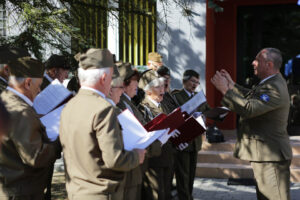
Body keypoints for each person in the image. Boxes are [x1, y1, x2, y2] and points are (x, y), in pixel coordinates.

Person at [59, 48, 145, 200]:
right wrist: (136, 156)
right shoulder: (104, 109)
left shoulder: (69, 105)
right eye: (112, 77)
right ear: (104, 78)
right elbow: (114, 159)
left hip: (76, 192)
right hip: (100, 194)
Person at [211, 47, 292, 200]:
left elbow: (249, 108)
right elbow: (251, 97)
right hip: (267, 155)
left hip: (271, 156)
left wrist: (224, 90)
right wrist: (232, 85)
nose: (253, 63)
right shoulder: (270, 82)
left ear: (268, 64)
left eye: (257, 60)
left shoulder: (274, 87)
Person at [0, 56, 61, 200]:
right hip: (22, 191)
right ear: (28, 83)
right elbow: (35, 157)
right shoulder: (22, 112)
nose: (39, 90)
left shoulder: (4, 99)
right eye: (38, 85)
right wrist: (60, 141)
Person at [171, 69, 210, 200]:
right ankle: (184, 197)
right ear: (184, 81)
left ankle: (189, 195)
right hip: (183, 139)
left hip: (195, 140)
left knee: (192, 173)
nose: (195, 85)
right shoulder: (176, 96)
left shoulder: (199, 97)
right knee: (183, 173)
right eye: (193, 81)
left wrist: (207, 115)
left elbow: (208, 111)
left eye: (197, 82)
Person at [138, 70, 173, 200]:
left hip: (167, 157)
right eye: (157, 87)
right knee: (156, 195)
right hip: (154, 160)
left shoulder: (164, 105)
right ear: (148, 91)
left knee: (166, 193)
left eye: (163, 86)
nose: (162, 90)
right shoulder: (143, 108)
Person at [117, 62, 146, 200]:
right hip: (127, 164)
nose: (137, 85)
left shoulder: (128, 102)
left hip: (134, 163)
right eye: (135, 81)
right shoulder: (119, 103)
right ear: (125, 83)